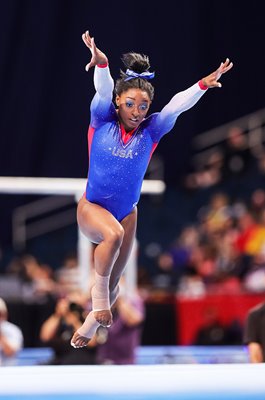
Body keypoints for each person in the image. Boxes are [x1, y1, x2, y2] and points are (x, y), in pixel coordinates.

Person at [71, 30, 233, 348]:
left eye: (143, 106)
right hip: (92, 209)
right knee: (112, 239)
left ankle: (92, 320)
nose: (136, 111)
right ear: (118, 102)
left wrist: (202, 84)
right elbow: (102, 91)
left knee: (116, 280)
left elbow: (175, 107)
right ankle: (98, 296)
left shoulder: (151, 131)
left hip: (127, 213)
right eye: (130, 103)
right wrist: (102, 64)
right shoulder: (102, 119)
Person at [40, 297, 97, 364]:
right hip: (61, 363)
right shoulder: (58, 321)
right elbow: (45, 337)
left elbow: (92, 343)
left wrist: (75, 322)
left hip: (84, 363)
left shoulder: (85, 319)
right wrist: (58, 314)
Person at [0, 297, 24, 366]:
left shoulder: (13, 330)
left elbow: (10, 352)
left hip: (8, 372)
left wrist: (1, 336)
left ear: (5, 315)